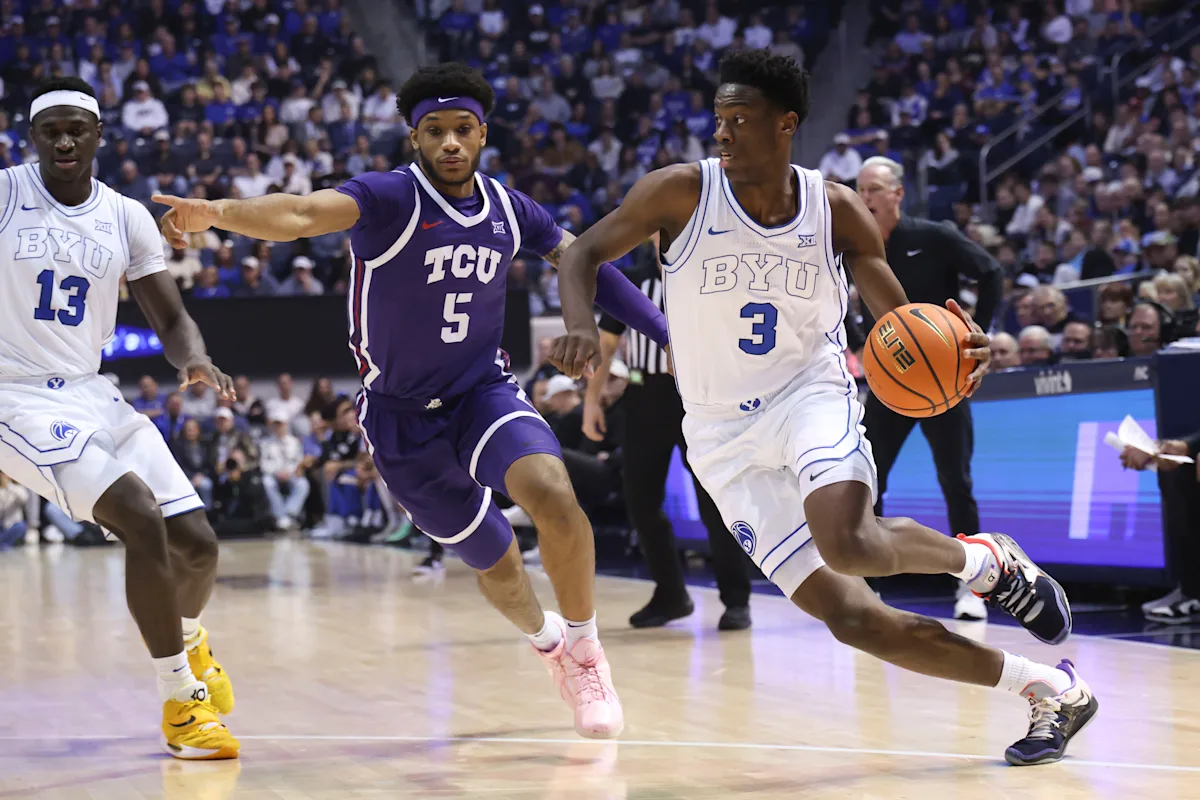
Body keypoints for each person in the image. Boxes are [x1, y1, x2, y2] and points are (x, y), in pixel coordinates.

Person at [548, 49, 1095, 767]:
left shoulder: (833, 207)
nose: (722, 132)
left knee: (850, 543)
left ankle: (984, 564)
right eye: (719, 118)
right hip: (719, 434)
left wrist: (951, 350)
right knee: (853, 619)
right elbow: (581, 254)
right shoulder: (678, 192)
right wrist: (580, 326)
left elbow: (899, 322)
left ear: (786, 124)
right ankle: (1051, 689)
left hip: (810, 395)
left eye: (740, 119)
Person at [154, 63, 672, 740]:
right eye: (435, 131)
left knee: (553, 492)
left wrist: (667, 334)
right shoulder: (389, 197)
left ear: (482, 133)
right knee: (499, 565)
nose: (450, 142)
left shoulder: (513, 210)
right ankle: (550, 645)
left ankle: (586, 651)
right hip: (400, 419)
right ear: (415, 138)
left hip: (481, 392)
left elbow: (587, 265)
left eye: (463, 129)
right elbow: (302, 214)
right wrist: (218, 213)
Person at [0, 78, 238, 759]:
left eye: (76, 129)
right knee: (137, 513)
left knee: (197, 544)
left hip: (90, 391)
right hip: (15, 395)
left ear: (99, 135)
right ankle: (181, 704)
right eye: (51, 130)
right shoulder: (7, 194)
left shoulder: (126, 216)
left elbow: (170, 317)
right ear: (32, 136)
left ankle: (188, 642)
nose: (64, 141)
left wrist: (194, 359)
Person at [854, 156, 1002, 622]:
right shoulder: (853, 246)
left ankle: (973, 588)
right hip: (891, 382)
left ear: (898, 193)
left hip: (943, 378)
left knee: (956, 482)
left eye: (874, 189)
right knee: (868, 480)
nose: (865, 197)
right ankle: (868, 587)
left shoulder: (933, 236)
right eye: (860, 189)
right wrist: (861, 341)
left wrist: (979, 333)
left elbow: (991, 272)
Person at [584, 234, 754, 631]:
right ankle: (671, 594)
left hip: (702, 397)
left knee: (715, 503)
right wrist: (592, 401)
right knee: (641, 502)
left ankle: (737, 599)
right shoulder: (633, 279)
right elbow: (607, 344)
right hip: (645, 398)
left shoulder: (713, 274)